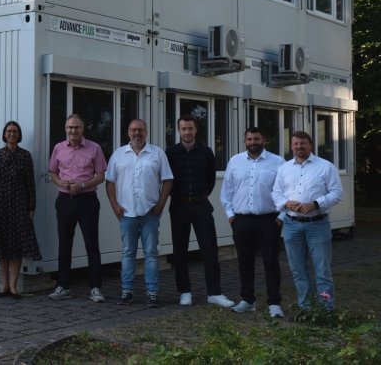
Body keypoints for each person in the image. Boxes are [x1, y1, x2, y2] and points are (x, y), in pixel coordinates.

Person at [165, 115, 234, 308]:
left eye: (190, 128)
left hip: (201, 204)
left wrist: (199, 195)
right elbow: (167, 179)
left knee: (210, 249)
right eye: (183, 129)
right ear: (179, 130)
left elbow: (210, 180)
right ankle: (185, 292)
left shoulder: (206, 152)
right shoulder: (170, 153)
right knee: (180, 250)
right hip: (179, 205)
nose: (187, 132)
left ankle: (214, 292)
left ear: (196, 130)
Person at [272, 131, 343, 312]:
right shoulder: (284, 168)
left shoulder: (325, 167)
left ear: (310, 145)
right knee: (298, 270)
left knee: (322, 269)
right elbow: (276, 193)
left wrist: (316, 204)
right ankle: (305, 308)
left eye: (303, 143)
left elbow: (337, 193)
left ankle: (326, 309)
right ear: (291, 146)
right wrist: (285, 203)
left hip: (317, 224)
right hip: (291, 225)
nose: (299, 146)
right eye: (296, 144)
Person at [105, 119, 173, 308]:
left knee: (151, 253)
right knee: (128, 253)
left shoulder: (157, 153)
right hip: (127, 214)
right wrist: (114, 206)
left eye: (140, 130)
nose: (137, 133)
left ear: (146, 132)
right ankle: (127, 292)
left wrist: (161, 204)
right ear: (128, 132)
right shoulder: (118, 154)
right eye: (133, 130)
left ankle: (152, 293)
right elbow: (110, 182)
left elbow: (168, 180)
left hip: (150, 213)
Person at [221, 127, 286, 318]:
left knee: (271, 262)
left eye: (256, 139)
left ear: (264, 140)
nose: (252, 142)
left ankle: (274, 303)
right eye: (249, 139)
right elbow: (227, 191)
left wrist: (281, 218)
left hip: (269, 220)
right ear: (245, 141)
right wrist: (231, 216)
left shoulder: (278, 162)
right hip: (241, 220)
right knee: (244, 262)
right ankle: (248, 300)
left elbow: (287, 191)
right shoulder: (235, 161)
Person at [46, 114, 107, 302]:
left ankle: (95, 288)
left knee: (91, 243)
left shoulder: (94, 148)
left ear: (82, 129)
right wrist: (61, 182)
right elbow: (53, 172)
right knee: (64, 243)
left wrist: (82, 185)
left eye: (76, 127)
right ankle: (63, 286)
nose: (73, 130)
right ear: (66, 129)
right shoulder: (58, 148)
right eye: (70, 127)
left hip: (87, 201)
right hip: (65, 201)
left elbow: (101, 175)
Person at [0, 121, 42, 299]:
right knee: (2, 245)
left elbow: (30, 183)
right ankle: (4, 285)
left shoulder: (25, 156)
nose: (12, 134)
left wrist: (32, 206)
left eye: (15, 131)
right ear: (4, 134)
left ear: (19, 134)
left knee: (17, 245)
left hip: (19, 205)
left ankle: (14, 286)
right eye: (9, 131)